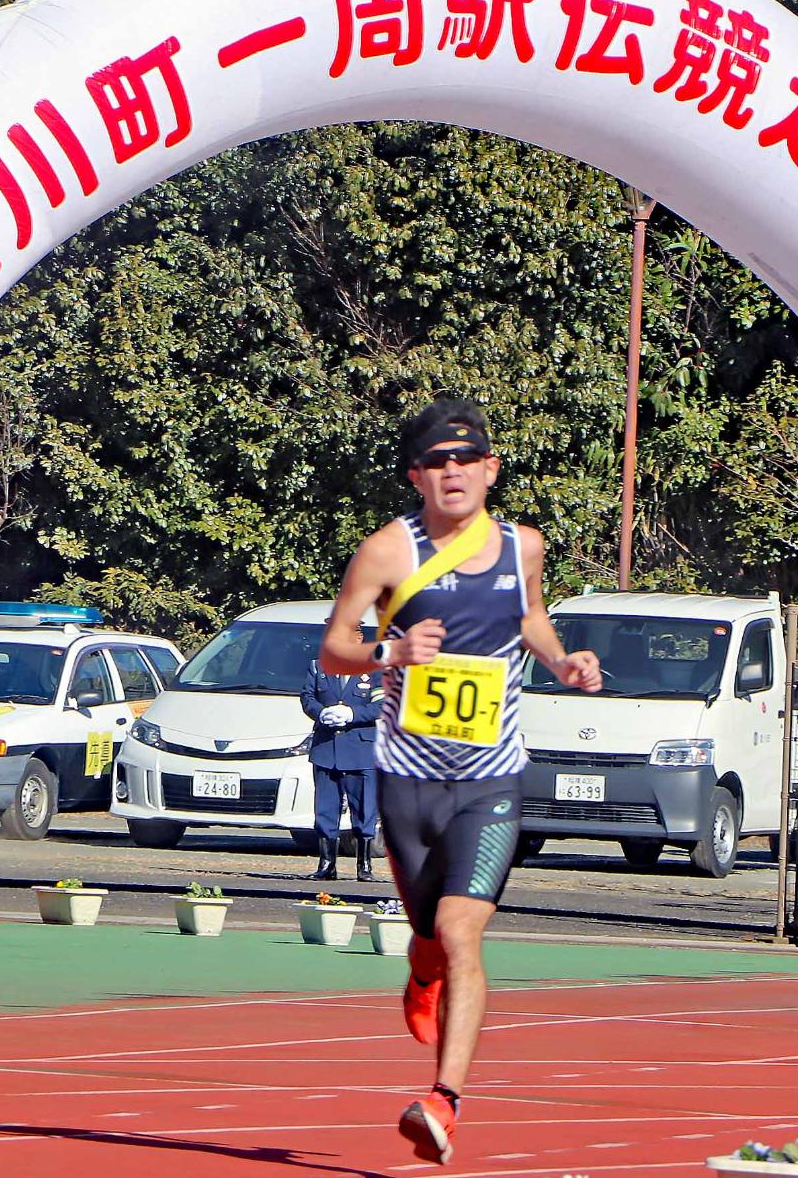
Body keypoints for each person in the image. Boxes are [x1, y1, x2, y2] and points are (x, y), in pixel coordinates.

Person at [320, 399, 602, 1166]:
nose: (453, 473)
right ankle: (419, 974)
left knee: (462, 931)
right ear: (417, 475)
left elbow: (532, 616)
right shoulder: (387, 551)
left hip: (491, 780)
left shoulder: (523, 546)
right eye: (437, 462)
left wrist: (562, 661)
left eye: (466, 460)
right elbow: (334, 648)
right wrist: (391, 652)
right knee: (428, 940)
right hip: (408, 782)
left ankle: (442, 1099)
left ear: (490, 469)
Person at [298, 660, 383, 881]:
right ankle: (327, 864)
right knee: (325, 808)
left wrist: (352, 714)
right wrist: (321, 713)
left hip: (360, 749)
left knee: (364, 809)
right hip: (327, 748)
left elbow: (384, 703)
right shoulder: (318, 666)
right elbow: (307, 697)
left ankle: (364, 865)